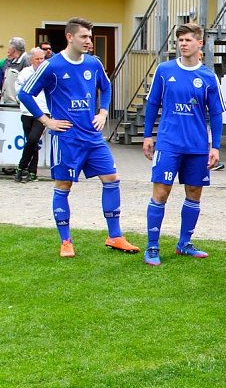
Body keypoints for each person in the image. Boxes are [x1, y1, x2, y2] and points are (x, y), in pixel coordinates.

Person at [18, 17, 140, 258]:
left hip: (92, 137)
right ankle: (66, 241)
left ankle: (115, 236)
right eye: (84, 36)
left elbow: (105, 87)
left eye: (90, 37)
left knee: (112, 178)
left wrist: (103, 112)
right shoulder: (52, 66)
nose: (89, 41)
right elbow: (25, 93)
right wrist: (46, 120)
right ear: (69, 37)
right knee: (64, 185)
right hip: (66, 138)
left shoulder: (94, 63)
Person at [141, 23, 224, 266]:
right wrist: (148, 135)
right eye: (180, 40)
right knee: (161, 192)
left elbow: (216, 114)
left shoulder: (208, 76)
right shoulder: (165, 70)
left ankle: (184, 243)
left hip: (197, 147)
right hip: (169, 144)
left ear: (200, 44)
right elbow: (152, 104)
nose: (184, 44)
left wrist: (215, 146)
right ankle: (152, 247)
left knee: (194, 193)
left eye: (189, 40)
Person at [14, 48, 48, 182]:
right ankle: (32, 171)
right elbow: (19, 91)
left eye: (42, 59)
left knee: (33, 139)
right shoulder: (25, 73)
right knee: (31, 142)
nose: (40, 61)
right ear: (31, 60)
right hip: (27, 111)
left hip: (43, 111)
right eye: (37, 59)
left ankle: (21, 167)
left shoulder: (48, 72)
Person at [3, 37, 29, 104]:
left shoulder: (26, 60)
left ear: (14, 48)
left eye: (9, 46)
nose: (8, 49)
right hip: (9, 100)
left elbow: (27, 80)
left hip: (17, 101)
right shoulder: (13, 60)